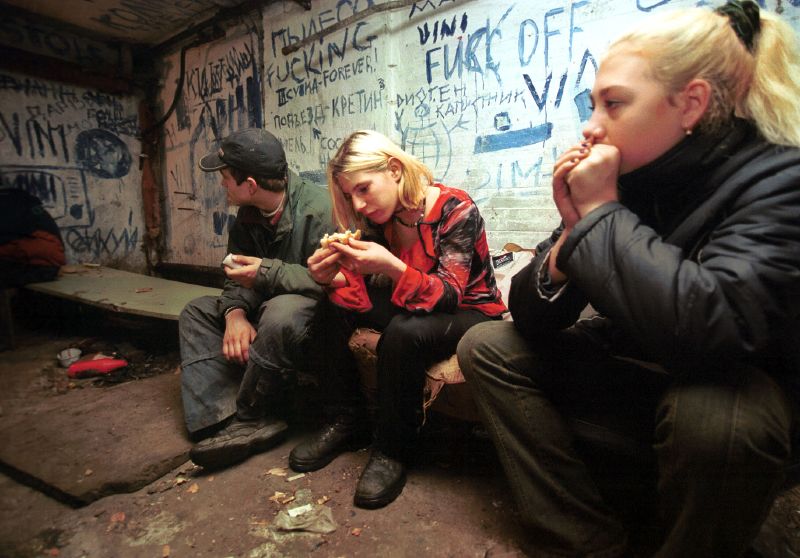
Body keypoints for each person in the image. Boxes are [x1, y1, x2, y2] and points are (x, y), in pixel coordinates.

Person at [457, 1, 800, 556]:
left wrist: (599, 216)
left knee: (716, 420)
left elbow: (712, 330)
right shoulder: (634, 171)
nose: (591, 124)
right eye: (593, 103)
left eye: (614, 103)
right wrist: (570, 239)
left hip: (733, 398)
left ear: (691, 103)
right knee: (488, 345)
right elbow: (532, 314)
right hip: (641, 375)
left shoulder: (780, 177)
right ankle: (587, 539)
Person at [289, 130, 506, 509]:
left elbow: (449, 293)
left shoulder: (456, 208)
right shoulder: (381, 220)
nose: (358, 204)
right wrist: (330, 278)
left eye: (364, 189)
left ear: (393, 169)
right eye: (350, 195)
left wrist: (388, 265)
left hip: (469, 312)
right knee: (330, 305)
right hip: (414, 302)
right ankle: (345, 420)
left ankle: (392, 450)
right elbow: (363, 293)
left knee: (405, 333)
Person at [179, 127, 335, 470]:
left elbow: (332, 284)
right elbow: (235, 274)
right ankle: (221, 417)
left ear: (250, 185)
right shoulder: (248, 214)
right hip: (265, 310)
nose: (221, 185)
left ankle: (254, 417)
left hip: (312, 319)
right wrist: (234, 313)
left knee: (281, 311)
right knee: (196, 311)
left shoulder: (320, 211)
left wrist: (266, 272)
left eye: (225, 178)